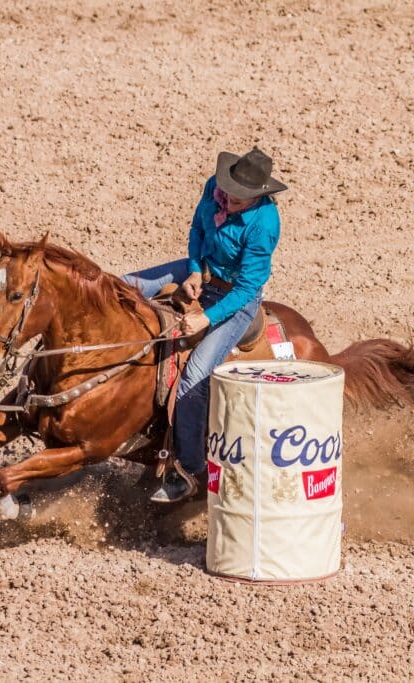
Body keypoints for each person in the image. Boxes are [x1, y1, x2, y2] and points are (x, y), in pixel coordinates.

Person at [123, 147, 286, 503]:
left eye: (237, 197)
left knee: (193, 380)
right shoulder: (215, 187)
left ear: (256, 197)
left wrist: (206, 318)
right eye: (227, 190)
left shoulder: (264, 225)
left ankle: (188, 470)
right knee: (123, 286)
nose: (227, 198)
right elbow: (198, 228)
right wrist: (195, 268)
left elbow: (246, 287)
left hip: (234, 299)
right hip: (203, 272)